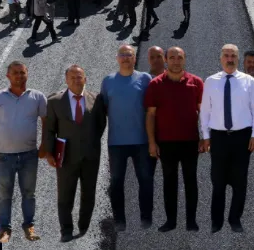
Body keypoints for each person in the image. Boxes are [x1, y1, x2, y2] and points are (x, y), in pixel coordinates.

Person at [199, 44, 254, 233]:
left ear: (238, 59)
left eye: (233, 56)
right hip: (218, 138)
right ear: (221, 58)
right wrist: (206, 136)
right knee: (217, 181)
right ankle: (216, 221)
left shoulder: (248, 81)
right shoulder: (211, 81)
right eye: (226, 55)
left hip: (242, 138)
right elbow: (205, 111)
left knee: (239, 181)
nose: (230, 59)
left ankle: (235, 219)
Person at [42, 65, 107, 242]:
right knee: (65, 195)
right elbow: (49, 130)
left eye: (79, 77)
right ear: (66, 80)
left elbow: (101, 124)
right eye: (72, 77)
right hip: (66, 158)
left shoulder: (96, 99)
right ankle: (66, 230)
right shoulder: (54, 101)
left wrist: (90, 142)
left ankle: (84, 225)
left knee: (89, 193)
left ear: (85, 79)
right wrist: (49, 153)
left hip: (90, 157)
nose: (76, 80)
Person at [0, 61, 48, 243]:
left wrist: (44, 145)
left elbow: (46, 122)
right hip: (3, 156)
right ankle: (5, 229)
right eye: (15, 73)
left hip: (29, 155)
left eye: (22, 72)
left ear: (27, 74)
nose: (19, 76)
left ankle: (29, 226)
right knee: (4, 195)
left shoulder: (38, 97)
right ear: (8, 76)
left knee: (29, 193)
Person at [146, 46, 204, 232]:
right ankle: (170, 221)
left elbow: (204, 112)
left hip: (190, 141)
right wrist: (152, 142)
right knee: (169, 182)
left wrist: (205, 137)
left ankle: (191, 221)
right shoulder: (155, 84)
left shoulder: (196, 83)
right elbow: (151, 115)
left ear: (185, 59)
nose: (176, 61)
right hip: (166, 142)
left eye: (179, 57)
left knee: (191, 181)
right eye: (172, 58)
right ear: (166, 60)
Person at [101, 45, 154, 230]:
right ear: (117, 58)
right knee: (116, 183)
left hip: (141, 141)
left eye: (129, 55)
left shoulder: (145, 79)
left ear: (134, 58)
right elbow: (104, 108)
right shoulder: (108, 81)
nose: (125, 58)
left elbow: (152, 108)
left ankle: (146, 218)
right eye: (122, 55)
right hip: (116, 143)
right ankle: (119, 220)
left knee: (145, 180)